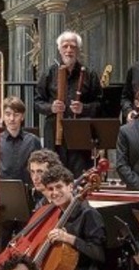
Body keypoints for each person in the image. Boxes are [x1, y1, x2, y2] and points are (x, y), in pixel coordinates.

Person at [37, 165, 107, 270]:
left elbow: (99, 254)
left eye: (59, 187)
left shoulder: (89, 214)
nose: (55, 192)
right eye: (50, 189)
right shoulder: (57, 215)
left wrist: (69, 239)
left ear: (70, 186)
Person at [33, 30, 103, 175]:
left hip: (80, 135)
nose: (69, 50)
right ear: (59, 49)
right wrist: (51, 108)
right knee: (55, 175)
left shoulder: (89, 74)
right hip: (54, 134)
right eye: (65, 46)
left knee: (81, 176)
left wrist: (84, 108)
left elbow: (100, 104)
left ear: (78, 50)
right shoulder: (49, 73)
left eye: (73, 46)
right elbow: (37, 102)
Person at [0, 96, 41, 184]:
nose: (12, 119)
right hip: (3, 191)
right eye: (8, 114)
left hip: (27, 191)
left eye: (16, 114)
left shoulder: (33, 141)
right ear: (2, 116)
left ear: (22, 116)